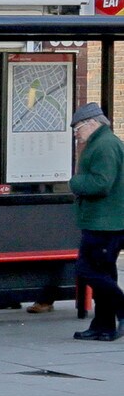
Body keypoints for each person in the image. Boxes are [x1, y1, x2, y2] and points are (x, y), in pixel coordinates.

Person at [69, 102, 124, 343]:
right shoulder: (104, 143)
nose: (75, 132)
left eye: (78, 127)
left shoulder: (104, 146)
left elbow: (101, 183)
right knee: (104, 273)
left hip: (105, 223)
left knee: (87, 269)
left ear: (93, 123)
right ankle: (103, 325)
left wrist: (75, 183)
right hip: (105, 221)